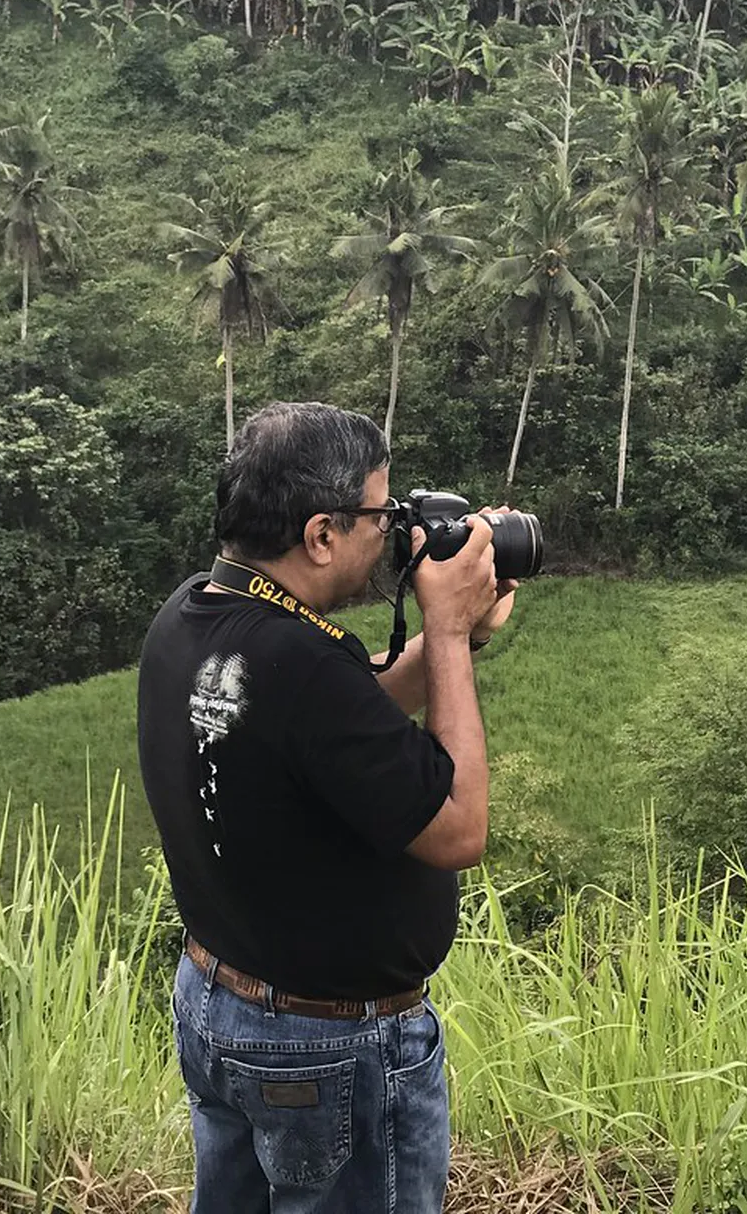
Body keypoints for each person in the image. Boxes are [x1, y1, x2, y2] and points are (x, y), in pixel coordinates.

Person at [137, 400, 517, 1213]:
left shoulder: (193, 612)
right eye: (381, 515)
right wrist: (448, 636)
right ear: (320, 534)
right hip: (327, 1046)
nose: (391, 532)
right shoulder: (303, 666)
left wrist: (464, 633)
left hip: (217, 1002)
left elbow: (340, 715)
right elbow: (458, 830)